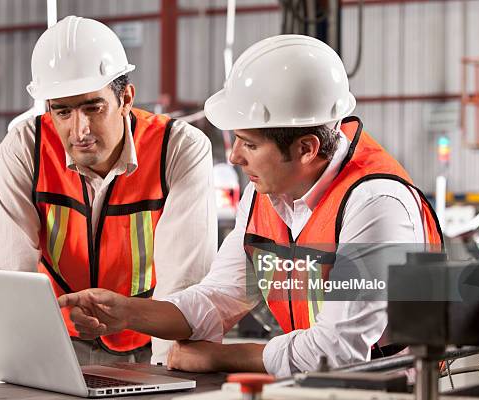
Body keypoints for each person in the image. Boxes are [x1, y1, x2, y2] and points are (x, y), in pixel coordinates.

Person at [57, 34, 443, 377]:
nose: (236, 157)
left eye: (250, 144)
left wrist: (219, 358)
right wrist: (126, 313)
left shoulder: (376, 205)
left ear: (306, 148)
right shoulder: (266, 194)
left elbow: (338, 350)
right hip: (320, 387)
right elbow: (220, 297)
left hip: (393, 391)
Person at [0, 16, 217, 365]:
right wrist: (19, 367)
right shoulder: (26, 148)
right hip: (57, 339)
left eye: (93, 107)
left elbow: (185, 282)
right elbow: (7, 278)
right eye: (63, 111)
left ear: (126, 98)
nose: (80, 130)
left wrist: (169, 375)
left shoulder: (178, 148)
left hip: (149, 341)